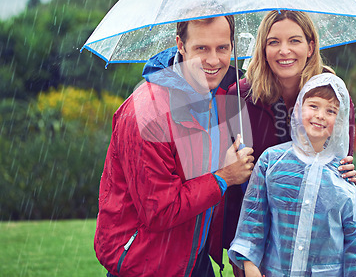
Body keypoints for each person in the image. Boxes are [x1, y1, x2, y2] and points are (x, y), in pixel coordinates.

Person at [94, 15, 255, 277]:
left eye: (222, 48)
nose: (214, 60)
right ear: (180, 45)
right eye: (201, 48)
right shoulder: (146, 114)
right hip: (147, 264)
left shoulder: (212, 98)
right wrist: (225, 177)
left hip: (193, 261)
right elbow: (160, 210)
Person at [224, 10, 356, 274]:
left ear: (310, 47)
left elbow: (336, 169)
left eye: (294, 41)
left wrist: (346, 174)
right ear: (263, 49)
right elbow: (233, 181)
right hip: (255, 241)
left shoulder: (332, 97)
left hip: (315, 241)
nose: (284, 50)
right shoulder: (239, 97)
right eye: (274, 42)